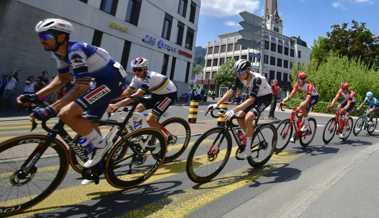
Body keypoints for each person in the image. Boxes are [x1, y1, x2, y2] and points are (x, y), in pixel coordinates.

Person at [17, 18, 126, 170]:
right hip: (99, 83)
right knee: (89, 122)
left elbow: (81, 86)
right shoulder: (60, 53)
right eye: (40, 37)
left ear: (61, 37)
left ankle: (101, 148)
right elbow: (63, 78)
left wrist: (52, 109)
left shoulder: (75, 51)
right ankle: (100, 163)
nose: (42, 41)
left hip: (112, 83)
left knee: (66, 114)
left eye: (46, 37)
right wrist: (37, 96)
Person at [208, 59, 272, 159]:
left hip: (265, 98)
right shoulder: (240, 76)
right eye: (237, 73)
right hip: (254, 98)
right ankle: (249, 136)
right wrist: (217, 104)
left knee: (248, 117)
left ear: (248, 70)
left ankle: (248, 148)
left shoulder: (257, 79)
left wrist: (233, 110)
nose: (239, 75)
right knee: (239, 116)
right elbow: (231, 91)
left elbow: (251, 100)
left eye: (241, 73)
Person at [107, 57, 177, 142]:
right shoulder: (136, 78)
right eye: (134, 69)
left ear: (145, 69)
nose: (136, 72)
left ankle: (167, 136)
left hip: (168, 95)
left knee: (150, 119)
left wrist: (115, 105)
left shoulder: (150, 77)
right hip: (156, 94)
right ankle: (138, 133)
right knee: (136, 111)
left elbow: (137, 95)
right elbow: (128, 92)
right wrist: (111, 99)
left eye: (139, 69)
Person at [281, 71, 319, 142]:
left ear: (304, 79)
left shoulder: (309, 86)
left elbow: (307, 99)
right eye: (298, 78)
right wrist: (284, 100)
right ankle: (299, 132)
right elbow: (291, 95)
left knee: (302, 106)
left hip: (314, 97)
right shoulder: (297, 84)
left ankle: (306, 126)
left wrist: (301, 106)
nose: (299, 80)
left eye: (301, 79)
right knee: (299, 115)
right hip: (307, 97)